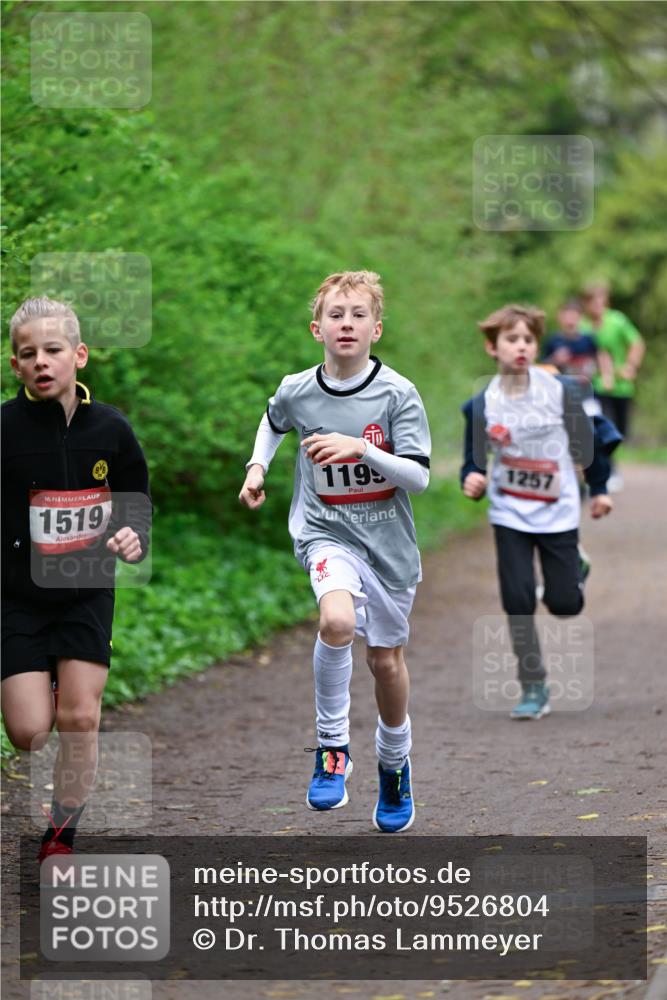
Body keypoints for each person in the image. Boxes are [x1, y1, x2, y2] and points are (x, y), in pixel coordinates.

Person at [239, 271, 431, 832]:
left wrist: (359, 449)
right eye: (336, 315)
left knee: (385, 662)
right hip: (326, 532)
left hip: (389, 549)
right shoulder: (299, 388)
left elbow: (417, 478)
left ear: (376, 328)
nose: (346, 324)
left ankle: (394, 767)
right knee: (336, 621)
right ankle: (331, 751)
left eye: (358, 315)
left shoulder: (397, 393)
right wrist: (257, 468)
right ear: (316, 327)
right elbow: (272, 422)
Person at [1, 297, 151, 861]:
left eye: (53, 350)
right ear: (16, 365)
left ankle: (62, 833)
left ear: (79, 356)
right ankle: (53, 686)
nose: (41, 361)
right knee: (30, 733)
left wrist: (133, 536)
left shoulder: (109, 428)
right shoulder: (4, 427)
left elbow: (136, 501)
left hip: (87, 589)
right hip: (17, 596)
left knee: (81, 717)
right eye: (28, 353)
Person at [461, 304, 621, 720]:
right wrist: (473, 479)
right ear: (491, 347)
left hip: (559, 511)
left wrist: (599, 489)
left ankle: (575, 569)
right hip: (509, 512)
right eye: (511, 340)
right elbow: (473, 461)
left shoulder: (558, 393)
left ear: (536, 346)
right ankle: (534, 687)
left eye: (528, 340)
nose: (521, 347)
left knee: (565, 605)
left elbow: (588, 445)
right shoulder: (482, 405)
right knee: (517, 601)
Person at [580, 283, 645, 491]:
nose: (597, 306)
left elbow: (636, 342)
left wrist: (631, 366)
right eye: (593, 302)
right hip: (596, 385)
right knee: (602, 428)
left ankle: (606, 467)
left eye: (601, 301)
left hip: (621, 386)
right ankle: (605, 471)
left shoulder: (617, 320)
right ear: (587, 304)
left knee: (619, 431)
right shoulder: (583, 326)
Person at [540, 300, 598, 380]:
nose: (570, 321)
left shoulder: (588, 339)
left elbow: (597, 361)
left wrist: (589, 367)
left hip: (584, 385)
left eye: (574, 317)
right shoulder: (552, 340)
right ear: (560, 318)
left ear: (580, 318)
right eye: (567, 317)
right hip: (560, 384)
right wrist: (555, 359)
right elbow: (542, 365)